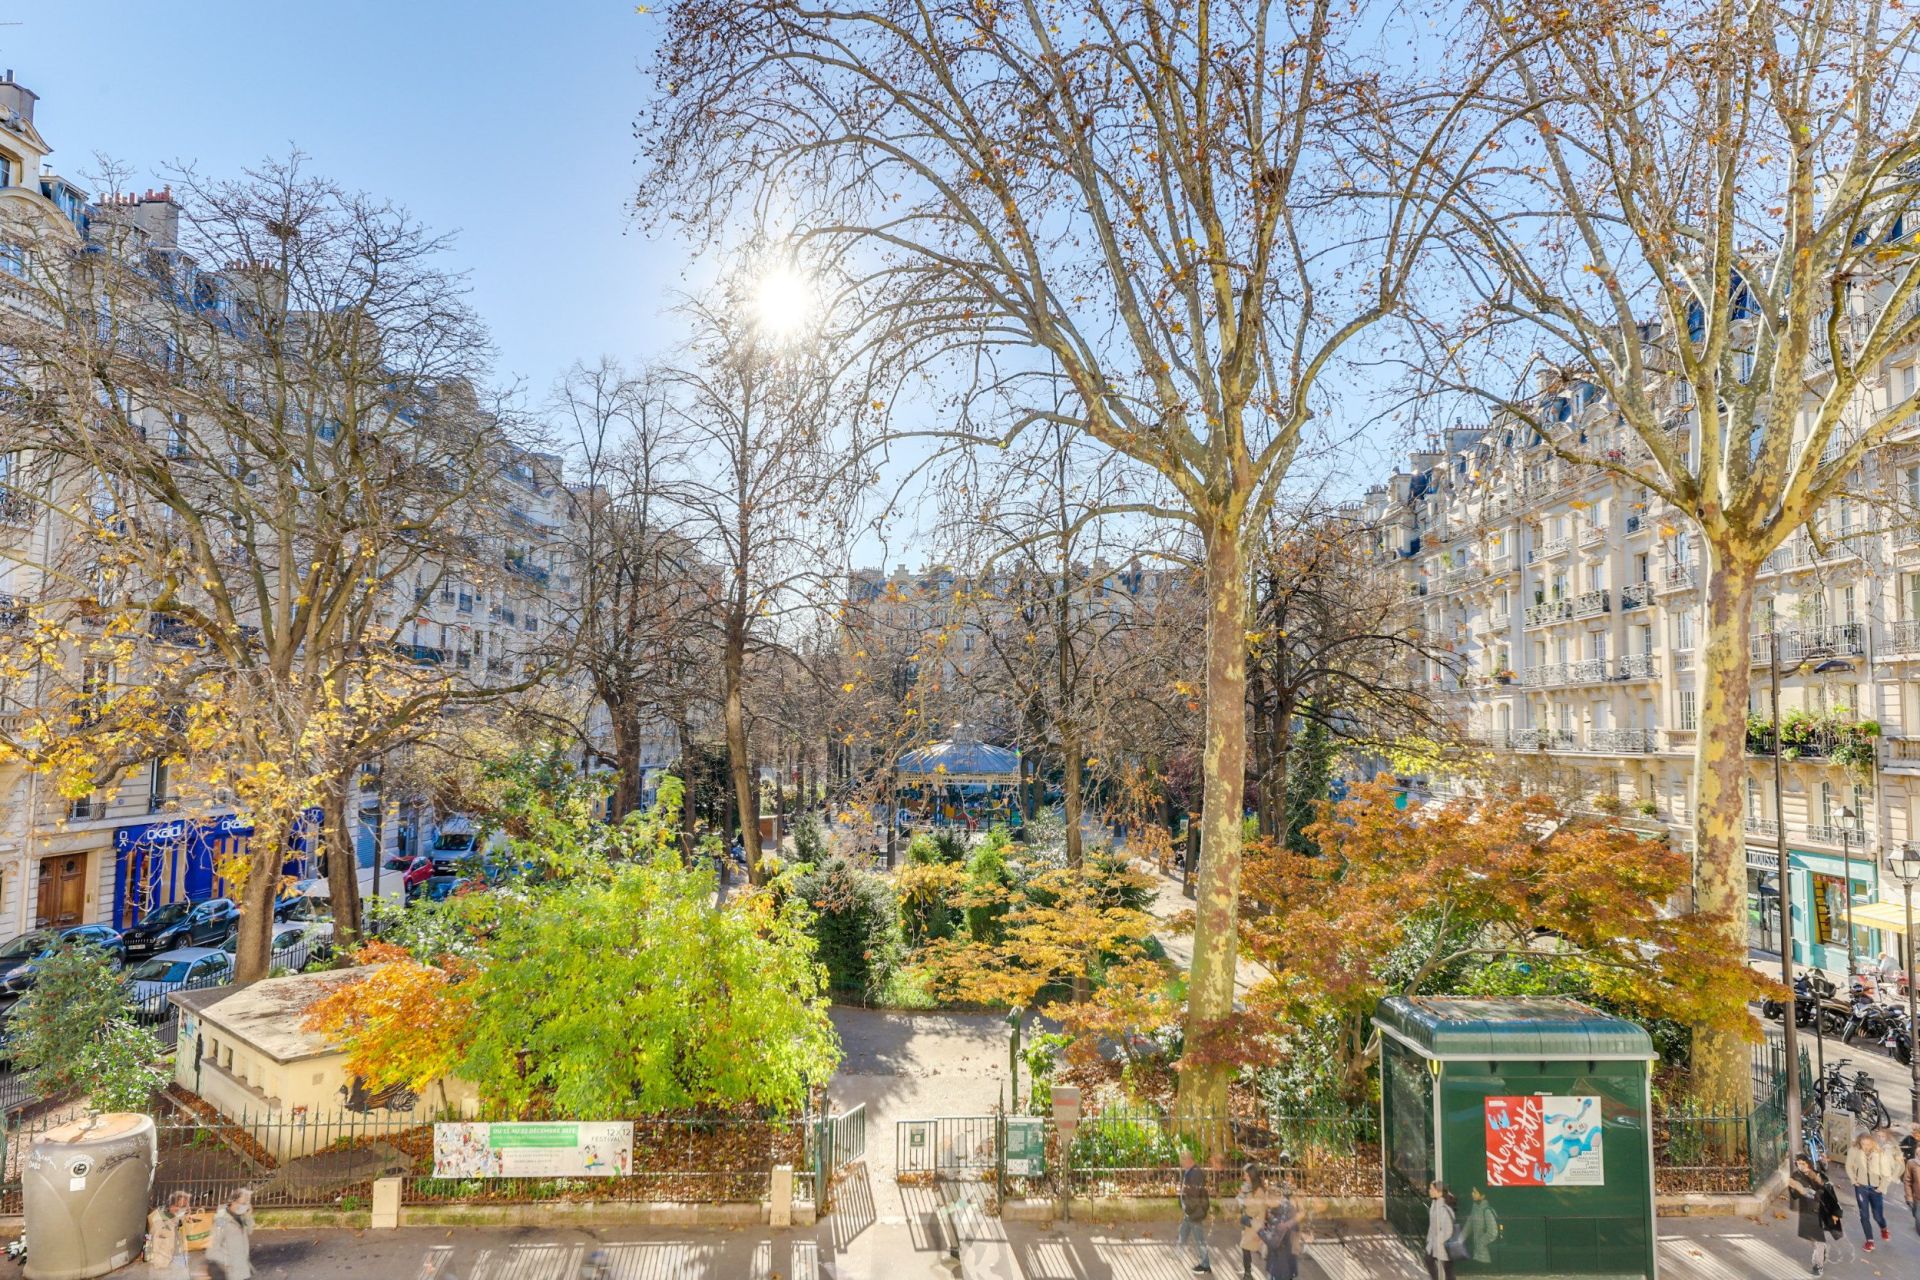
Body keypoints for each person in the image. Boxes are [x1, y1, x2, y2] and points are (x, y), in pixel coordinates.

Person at [1791, 1154, 1845, 1275]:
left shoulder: (1817, 1174)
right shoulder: (1795, 1176)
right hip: (1807, 1211)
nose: (1801, 1166)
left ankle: (1818, 1265)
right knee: (1811, 1239)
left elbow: (1828, 1190)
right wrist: (1795, 1188)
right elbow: (1794, 1196)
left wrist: (1835, 1212)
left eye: (1803, 1163)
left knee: (1818, 1239)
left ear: (1808, 1164)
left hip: (1820, 1211)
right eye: (1798, 1164)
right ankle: (1823, 1249)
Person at [1844, 1133, 1891, 1251]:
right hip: (1861, 1187)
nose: (1866, 1146)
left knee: (1877, 1216)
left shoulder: (1880, 1153)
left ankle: (1883, 1228)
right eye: (1863, 1144)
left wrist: (1881, 1187)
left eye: (1868, 1144)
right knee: (1864, 1215)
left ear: (1873, 1143)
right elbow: (1849, 1166)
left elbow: (1886, 1173)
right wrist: (1854, 1181)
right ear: (1860, 1142)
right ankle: (1870, 1241)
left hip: (1876, 1189)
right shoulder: (1854, 1150)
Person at [1234, 1164, 1277, 1280]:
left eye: (1246, 1175)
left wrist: (1244, 1201)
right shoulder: (1250, 1188)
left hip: (1255, 1223)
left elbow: (1255, 1208)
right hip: (1251, 1222)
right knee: (1246, 1247)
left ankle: (1248, 1275)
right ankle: (1248, 1274)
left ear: (1252, 1176)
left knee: (1245, 1247)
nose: (1244, 1177)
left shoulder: (1258, 1191)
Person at [205, 1188, 254, 1280]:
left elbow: (249, 1231)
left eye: (247, 1203)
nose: (246, 1206)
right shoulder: (221, 1220)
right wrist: (230, 1261)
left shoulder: (240, 1217)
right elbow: (211, 1251)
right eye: (243, 1203)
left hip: (241, 1271)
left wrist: (248, 1216)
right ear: (233, 1201)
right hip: (227, 1273)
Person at [1256, 1183, 1302, 1280]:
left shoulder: (1283, 1216)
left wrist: (1260, 1230)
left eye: (1267, 1200)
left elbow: (1274, 1242)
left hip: (1280, 1265)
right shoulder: (1285, 1206)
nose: (1265, 1202)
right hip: (1286, 1261)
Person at [1178, 1148, 1213, 1274]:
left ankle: (1205, 1265)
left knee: (1199, 1239)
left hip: (1194, 1212)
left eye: (1182, 1161)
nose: (1181, 1164)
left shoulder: (1196, 1173)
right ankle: (1178, 1253)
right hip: (1191, 1211)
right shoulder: (1190, 1171)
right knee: (1183, 1231)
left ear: (1187, 1160)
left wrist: (1188, 1208)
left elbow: (1194, 1194)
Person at [145, 1190, 194, 1279]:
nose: (184, 1209)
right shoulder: (160, 1221)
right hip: (164, 1269)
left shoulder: (180, 1221)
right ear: (172, 1207)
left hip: (180, 1266)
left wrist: (188, 1219)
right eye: (181, 1206)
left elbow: (189, 1236)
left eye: (186, 1206)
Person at [1424, 1181, 1459, 1280]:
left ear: (1439, 1192)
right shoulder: (1434, 1204)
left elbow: (1447, 1230)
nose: (1429, 1191)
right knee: (1428, 1259)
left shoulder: (1444, 1208)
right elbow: (1433, 1226)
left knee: (1448, 1271)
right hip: (1435, 1243)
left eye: (1432, 1189)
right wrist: (1430, 1240)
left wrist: (1438, 1241)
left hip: (1444, 1245)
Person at [1461, 1187, 1499, 1265]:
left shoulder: (1487, 1211)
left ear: (1483, 1196)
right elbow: (1469, 1224)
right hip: (1478, 1253)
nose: (1472, 1194)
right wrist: (1460, 1240)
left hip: (1486, 1254)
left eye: (1475, 1192)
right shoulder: (1475, 1208)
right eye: (1472, 1192)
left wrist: (1480, 1243)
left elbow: (1492, 1232)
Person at [1904, 1136, 1920, 1237]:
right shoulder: (1911, 1163)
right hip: (1917, 1199)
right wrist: (1909, 1197)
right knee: (1918, 1220)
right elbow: (1907, 1181)